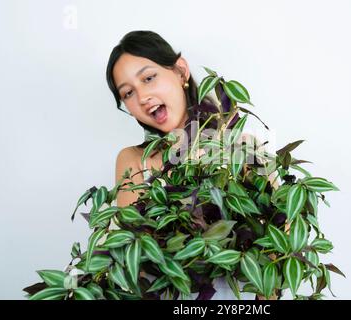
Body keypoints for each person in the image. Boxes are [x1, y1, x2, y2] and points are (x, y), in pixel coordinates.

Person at [106, 30, 277, 300]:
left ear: (180, 71)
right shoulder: (132, 160)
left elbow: (276, 253)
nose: (141, 97)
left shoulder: (243, 148)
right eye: (128, 93)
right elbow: (134, 260)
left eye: (149, 78)